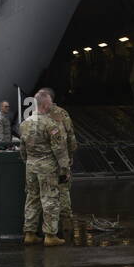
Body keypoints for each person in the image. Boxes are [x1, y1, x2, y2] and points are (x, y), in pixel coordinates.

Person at [19, 88, 70, 247]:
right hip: (47, 167)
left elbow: (22, 149)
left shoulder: (25, 123)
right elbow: (59, 149)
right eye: (49, 104)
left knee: (32, 198)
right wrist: (64, 169)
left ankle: (29, 233)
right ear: (45, 104)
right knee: (50, 199)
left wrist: (27, 161)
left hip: (31, 166)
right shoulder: (50, 124)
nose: (50, 107)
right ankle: (50, 235)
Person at [41, 88, 79, 237]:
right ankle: (66, 227)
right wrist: (70, 155)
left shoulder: (38, 114)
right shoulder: (63, 114)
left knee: (45, 195)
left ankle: (48, 230)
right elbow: (71, 137)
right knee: (63, 192)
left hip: (45, 161)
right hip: (62, 160)